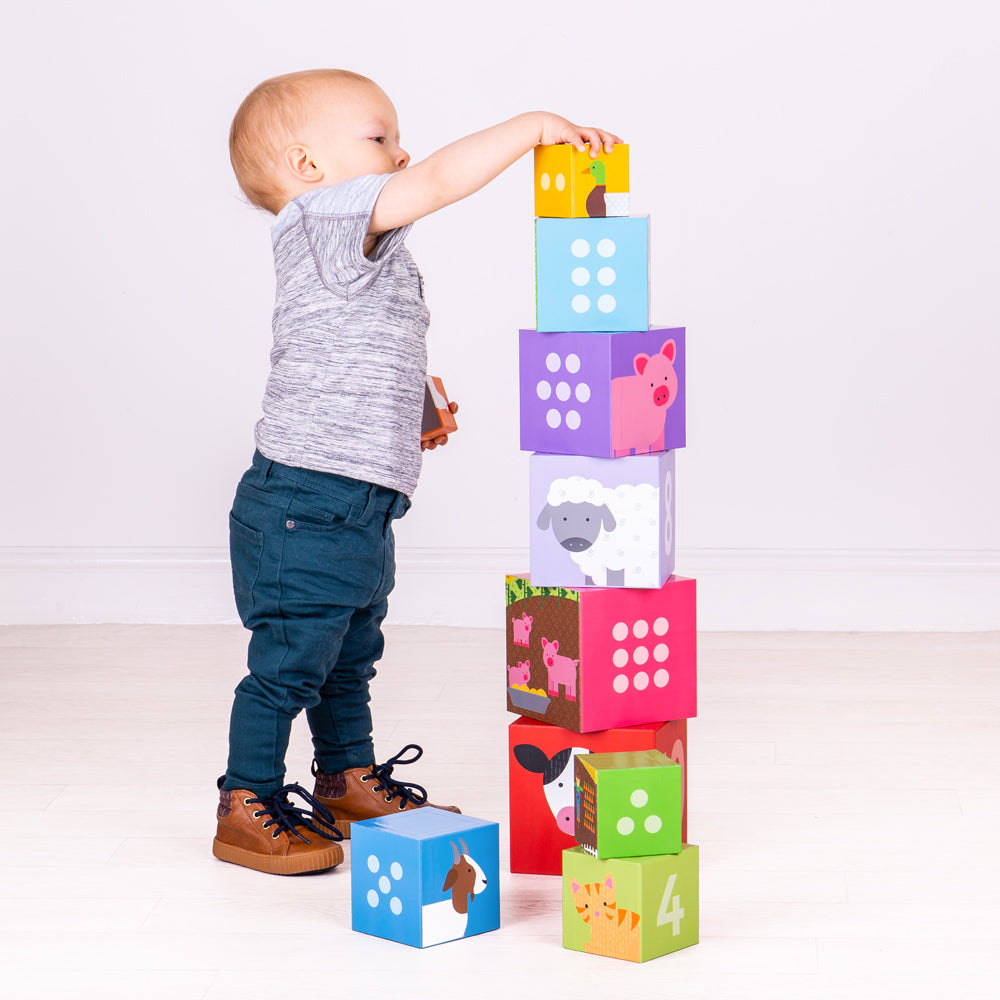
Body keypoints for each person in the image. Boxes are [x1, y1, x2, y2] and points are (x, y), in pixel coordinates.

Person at [213, 68, 622, 875]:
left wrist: (412, 404)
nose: (402, 153)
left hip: (351, 501)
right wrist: (531, 125)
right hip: (306, 498)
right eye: (378, 138)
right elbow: (436, 180)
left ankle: (347, 777)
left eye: (396, 140)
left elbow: (349, 344)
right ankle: (244, 800)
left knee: (348, 654)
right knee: (289, 666)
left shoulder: (347, 240)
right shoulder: (325, 212)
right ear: (306, 166)